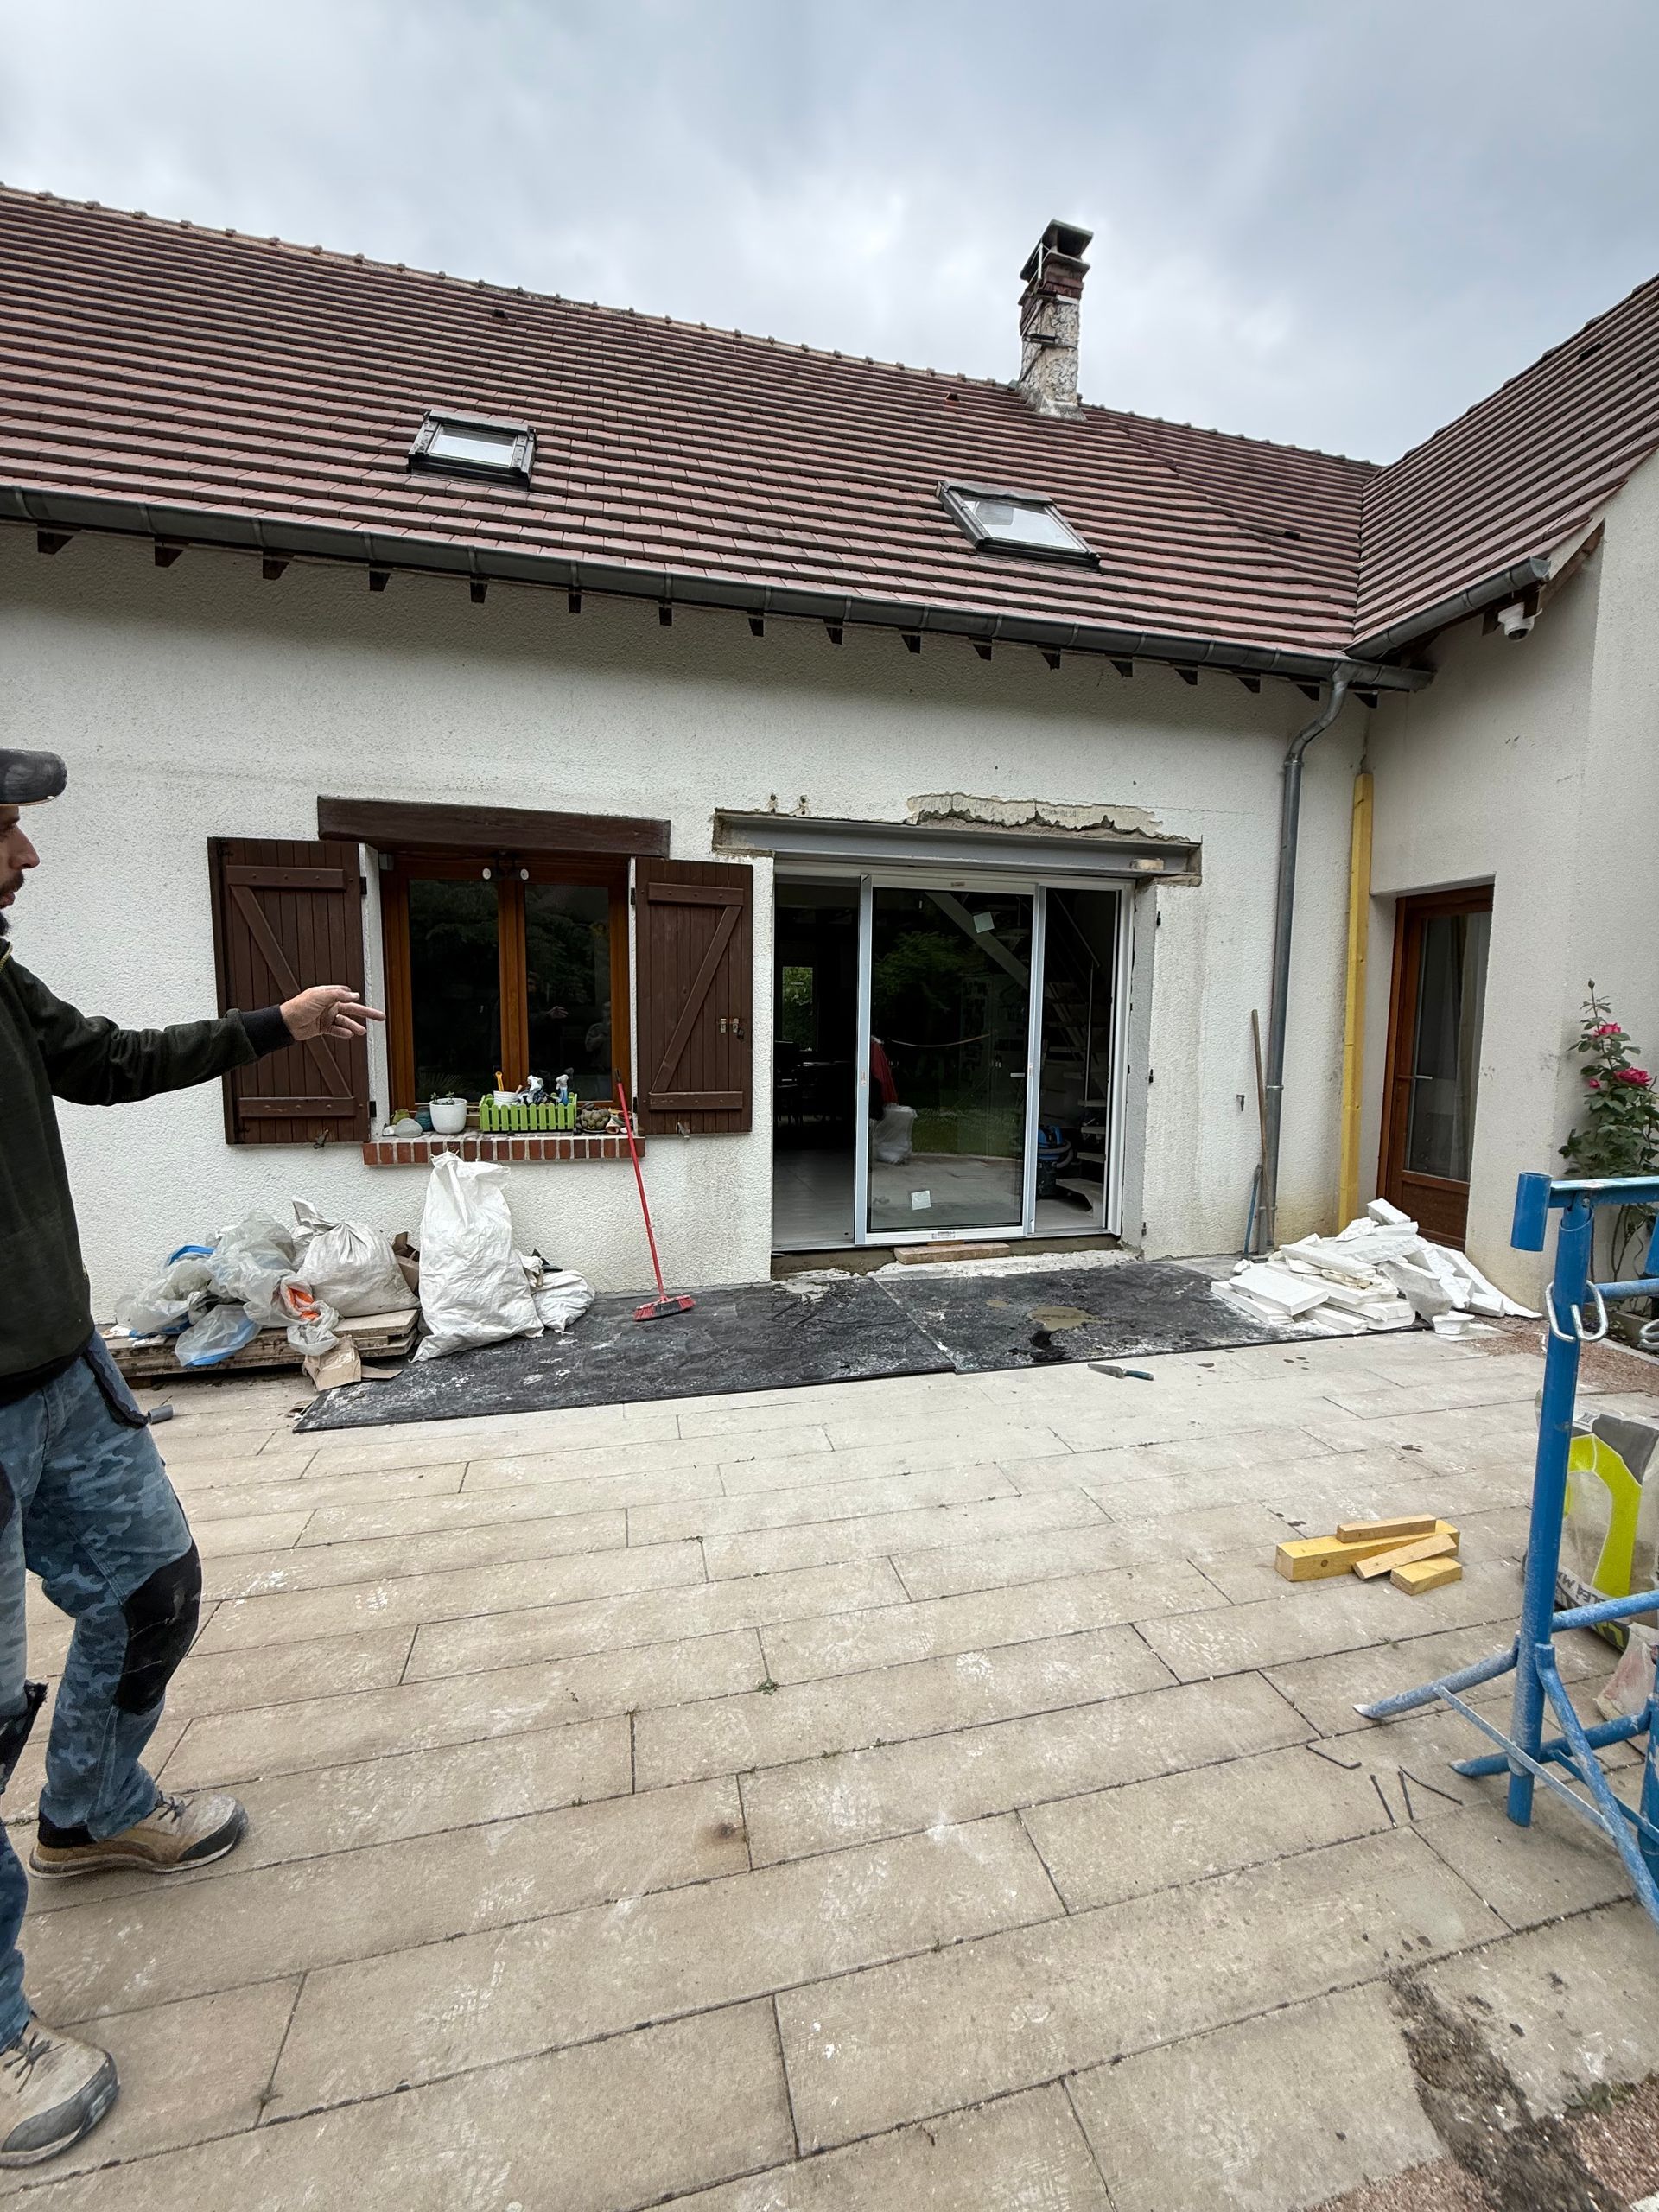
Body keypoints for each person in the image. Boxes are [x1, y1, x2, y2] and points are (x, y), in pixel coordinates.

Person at [0, 747, 382, 2167]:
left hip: (58, 1375)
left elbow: (104, 1061)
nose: (26, 859)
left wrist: (270, 1024)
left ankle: (93, 1807)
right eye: (4, 832)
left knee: (153, 1585)